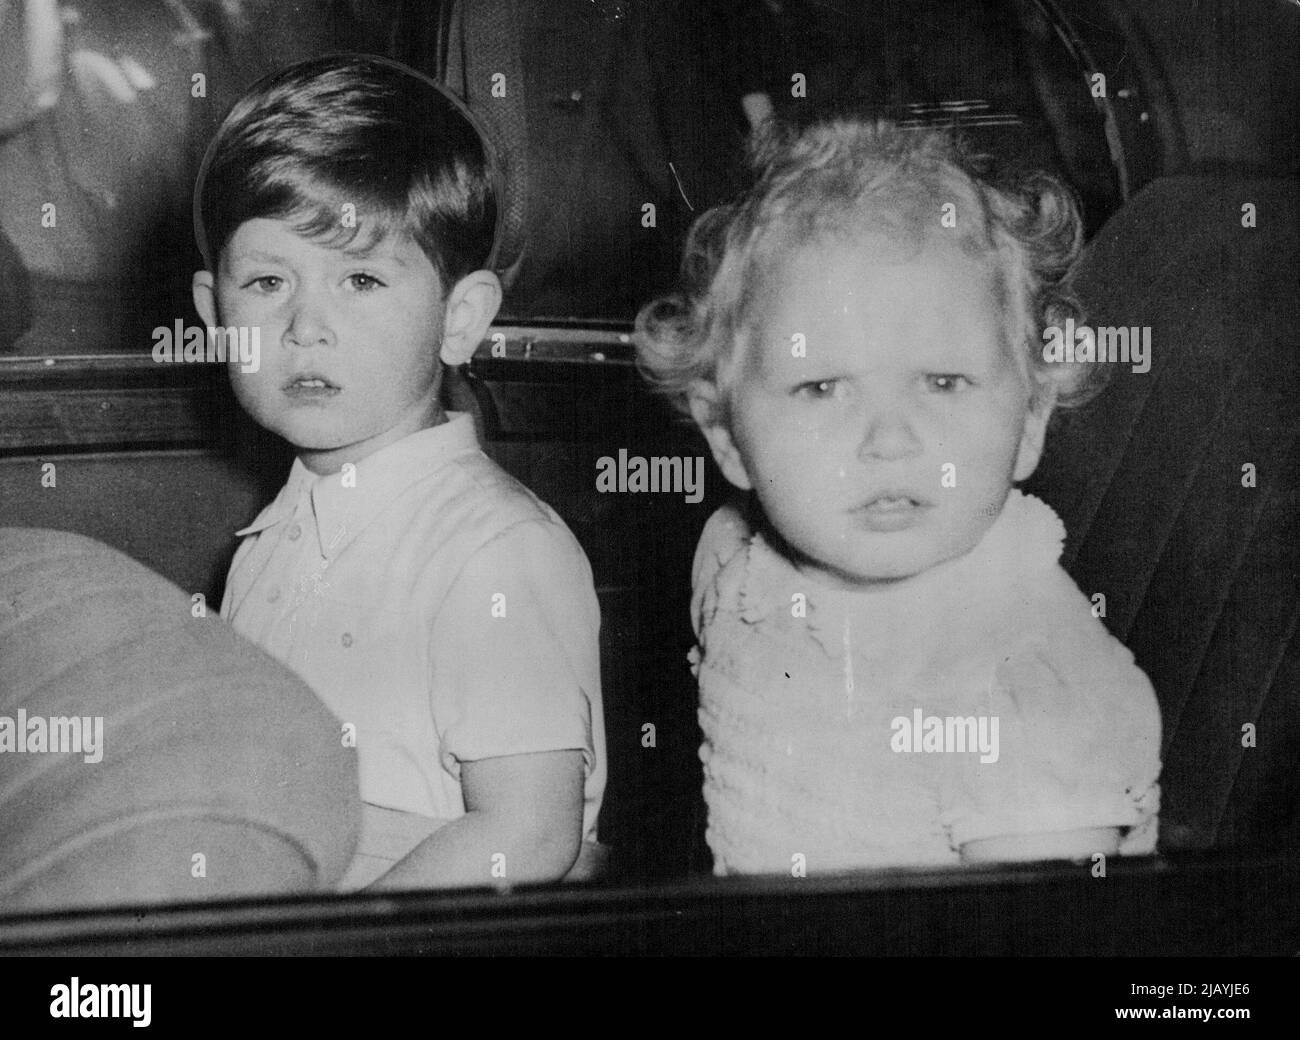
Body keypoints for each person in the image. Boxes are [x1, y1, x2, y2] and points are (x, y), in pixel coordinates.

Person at [635, 117, 1161, 875]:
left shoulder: (1025, 690)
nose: (889, 441)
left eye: (943, 382)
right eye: (821, 387)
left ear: (1032, 419)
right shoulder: (735, 565)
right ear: (724, 436)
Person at [194, 54, 606, 889]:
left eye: (362, 279)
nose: (307, 324)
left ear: (460, 320)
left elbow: (526, 831)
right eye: (269, 281)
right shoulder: (270, 539)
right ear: (213, 318)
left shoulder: (492, 551)